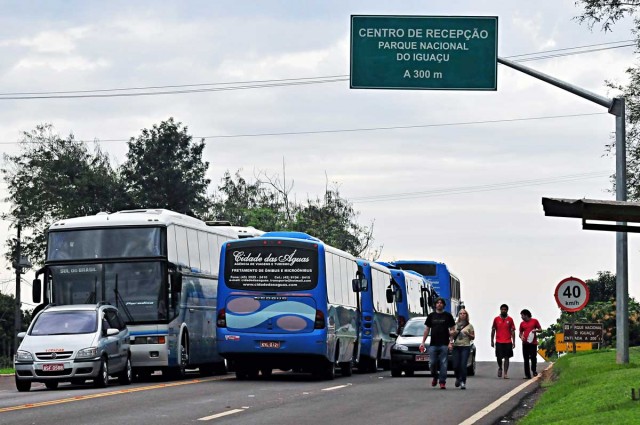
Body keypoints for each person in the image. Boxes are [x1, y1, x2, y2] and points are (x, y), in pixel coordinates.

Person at [420, 297, 456, 390]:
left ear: (444, 305)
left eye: (441, 303)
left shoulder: (448, 316)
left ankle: (442, 382)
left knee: (443, 363)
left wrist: (451, 342)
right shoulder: (431, 316)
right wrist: (423, 342)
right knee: (432, 363)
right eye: (437, 303)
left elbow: (452, 329)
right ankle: (435, 376)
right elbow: (427, 329)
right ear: (435, 305)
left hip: (444, 344)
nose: (439, 304)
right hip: (433, 344)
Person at [491, 303, 516, 379]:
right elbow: (493, 330)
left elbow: (513, 331)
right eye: (502, 309)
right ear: (500, 310)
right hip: (499, 341)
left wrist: (514, 342)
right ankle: (500, 368)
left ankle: (505, 373)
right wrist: (492, 340)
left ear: (507, 310)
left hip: (508, 341)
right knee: (499, 357)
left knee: (507, 357)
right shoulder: (496, 319)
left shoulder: (510, 319)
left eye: (505, 309)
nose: (503, 311)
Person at [452, 308, 475, 390]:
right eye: (461, 313)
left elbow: (473, 337)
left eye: (464, 313)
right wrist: (454, 333)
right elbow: (451, 336)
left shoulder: (470, 326)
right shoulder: (455, 325)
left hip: (465, 347)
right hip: (456, 346)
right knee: (455, 365)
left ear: (466, 315)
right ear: (459, 315)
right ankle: (458, 378)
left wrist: (468, 334)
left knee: (463, 365)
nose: (462, 315)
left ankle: (463, 382)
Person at [519, 309, 542, 379]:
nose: (521, 317)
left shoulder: (534, 321)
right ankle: (527, 375)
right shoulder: (522, 323)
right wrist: (521, 337)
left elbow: (540, 329)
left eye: (522, 315)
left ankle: (534, 370)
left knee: (533, 357)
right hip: (525, 343)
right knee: (525, 359)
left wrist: (536, 330)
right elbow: (520, 333)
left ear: (526, 315)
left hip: (533, 343)